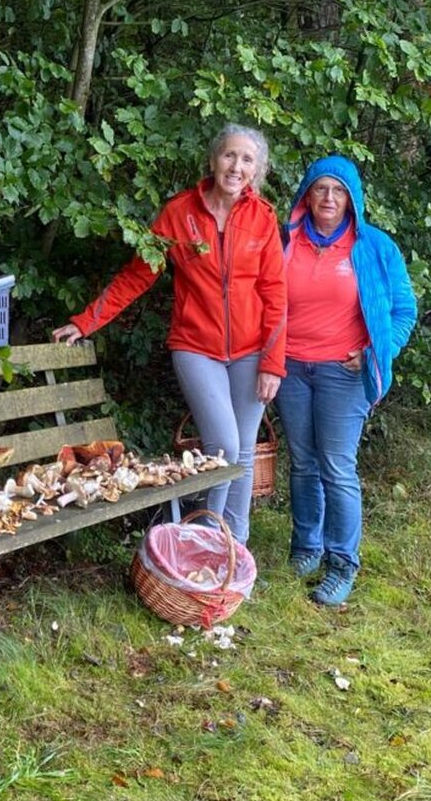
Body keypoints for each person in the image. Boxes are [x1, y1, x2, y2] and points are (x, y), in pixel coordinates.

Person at [53, 125, 286, 546]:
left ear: (258, 171)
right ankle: (207, 539)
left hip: (253, 351)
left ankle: (235, 550)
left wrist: (273, 362)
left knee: (244, 452)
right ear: (214, 160)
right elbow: (138, 274)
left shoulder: (263, 218)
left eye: (247, 160)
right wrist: (87, 320)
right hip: (197, 348)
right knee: (225, 447)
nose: (236, 166)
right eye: (229, 156)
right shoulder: (180, 213)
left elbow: (275, 294)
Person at [275, 155, 416, 606]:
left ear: (353, 199)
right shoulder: (285, 240)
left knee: (336, 467)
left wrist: (380, 350)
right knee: (302, 463)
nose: (329, 198)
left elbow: (403, 310)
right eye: (321, 189)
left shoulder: (374, 247)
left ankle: (342, 563)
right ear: (306, 194)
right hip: (292, 369)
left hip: (345, 373)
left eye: (339, 191)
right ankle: (306, 548)